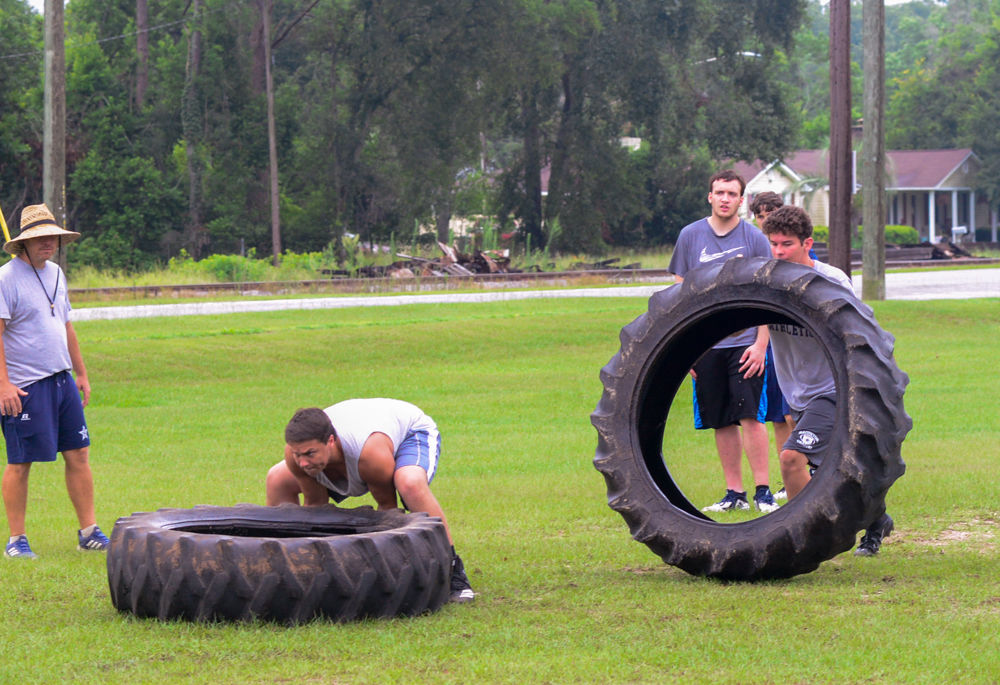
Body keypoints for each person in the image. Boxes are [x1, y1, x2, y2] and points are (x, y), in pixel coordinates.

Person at [761, 205, 894, 557]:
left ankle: (802, 538)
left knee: (792, 458)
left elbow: (858, 336)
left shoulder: (831, 281)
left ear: (808, 243)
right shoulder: (764, 280)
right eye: (772, 244)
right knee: (830, 470)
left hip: (832, 389)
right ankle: (876, 519)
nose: (778, 252)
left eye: (786, 244)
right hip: (796, 392)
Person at [266, 398, 475, 602]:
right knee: (277, 479)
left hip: (408, 433)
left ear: (330, 441)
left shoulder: (370, 455)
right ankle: (289, 569)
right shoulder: (297, 456)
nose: (302, 462)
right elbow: (317, 507)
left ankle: (453, 569)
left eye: (309, 453)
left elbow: (388, 510)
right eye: (297, 454)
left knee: (409, 483)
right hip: (354, 447)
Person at [1, 204, 110, 559]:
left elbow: (65, 326)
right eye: (40, 238)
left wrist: (80, 373)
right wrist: (3, 385)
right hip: (24, 386)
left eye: (52, 237)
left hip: (62, 382)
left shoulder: (57, 274)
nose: (48, 243)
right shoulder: (6, 279)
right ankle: (17, 540)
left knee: (78, 453)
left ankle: (89, 532)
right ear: (23, 243)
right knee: (21, 460)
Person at [668, 170, 779, 513]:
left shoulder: (753, 239)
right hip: (706, 345)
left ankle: (763, 492)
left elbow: (768, 294)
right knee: (720, 420)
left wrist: (761, 345)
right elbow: (679, 295)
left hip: (745, 343)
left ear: (741, 200)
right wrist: (686, 350)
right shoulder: (690, 236)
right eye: (720, 193)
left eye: (732, 194)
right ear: (710, 196)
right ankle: (735, 494)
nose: (725, 199)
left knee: (750, 416)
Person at [750, 191, 793, 501]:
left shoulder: (793, 254)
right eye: (761, 214)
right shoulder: (756, 252)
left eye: (772, 212)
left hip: (794, 348)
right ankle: (786, 480)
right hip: (772, 349)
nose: (767, 219)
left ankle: (809, 470)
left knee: (795, 415)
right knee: (778, 416)